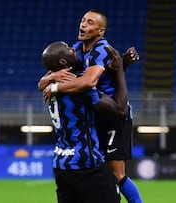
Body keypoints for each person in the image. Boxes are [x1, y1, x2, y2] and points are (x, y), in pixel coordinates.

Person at [40, 9, 142, 203]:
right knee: (101, 170)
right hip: (96, 114)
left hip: (114, 113)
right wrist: (52, 77)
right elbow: (43, 81)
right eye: (82, 20)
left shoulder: (102, 49)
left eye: (90, 22)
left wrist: (55, 88)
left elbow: (88, 82)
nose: (83, 25)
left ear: (100, 31)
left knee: (117, 175)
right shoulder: (77, 49)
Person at [41, 41, 121, 203]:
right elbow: (119, 110)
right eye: (68, 48)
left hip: (61, 164)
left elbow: (43, 82)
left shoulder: (48, 85)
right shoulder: (78, 85)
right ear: (63, 62)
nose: (73, 49)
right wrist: (120, 72)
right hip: (87, 163)